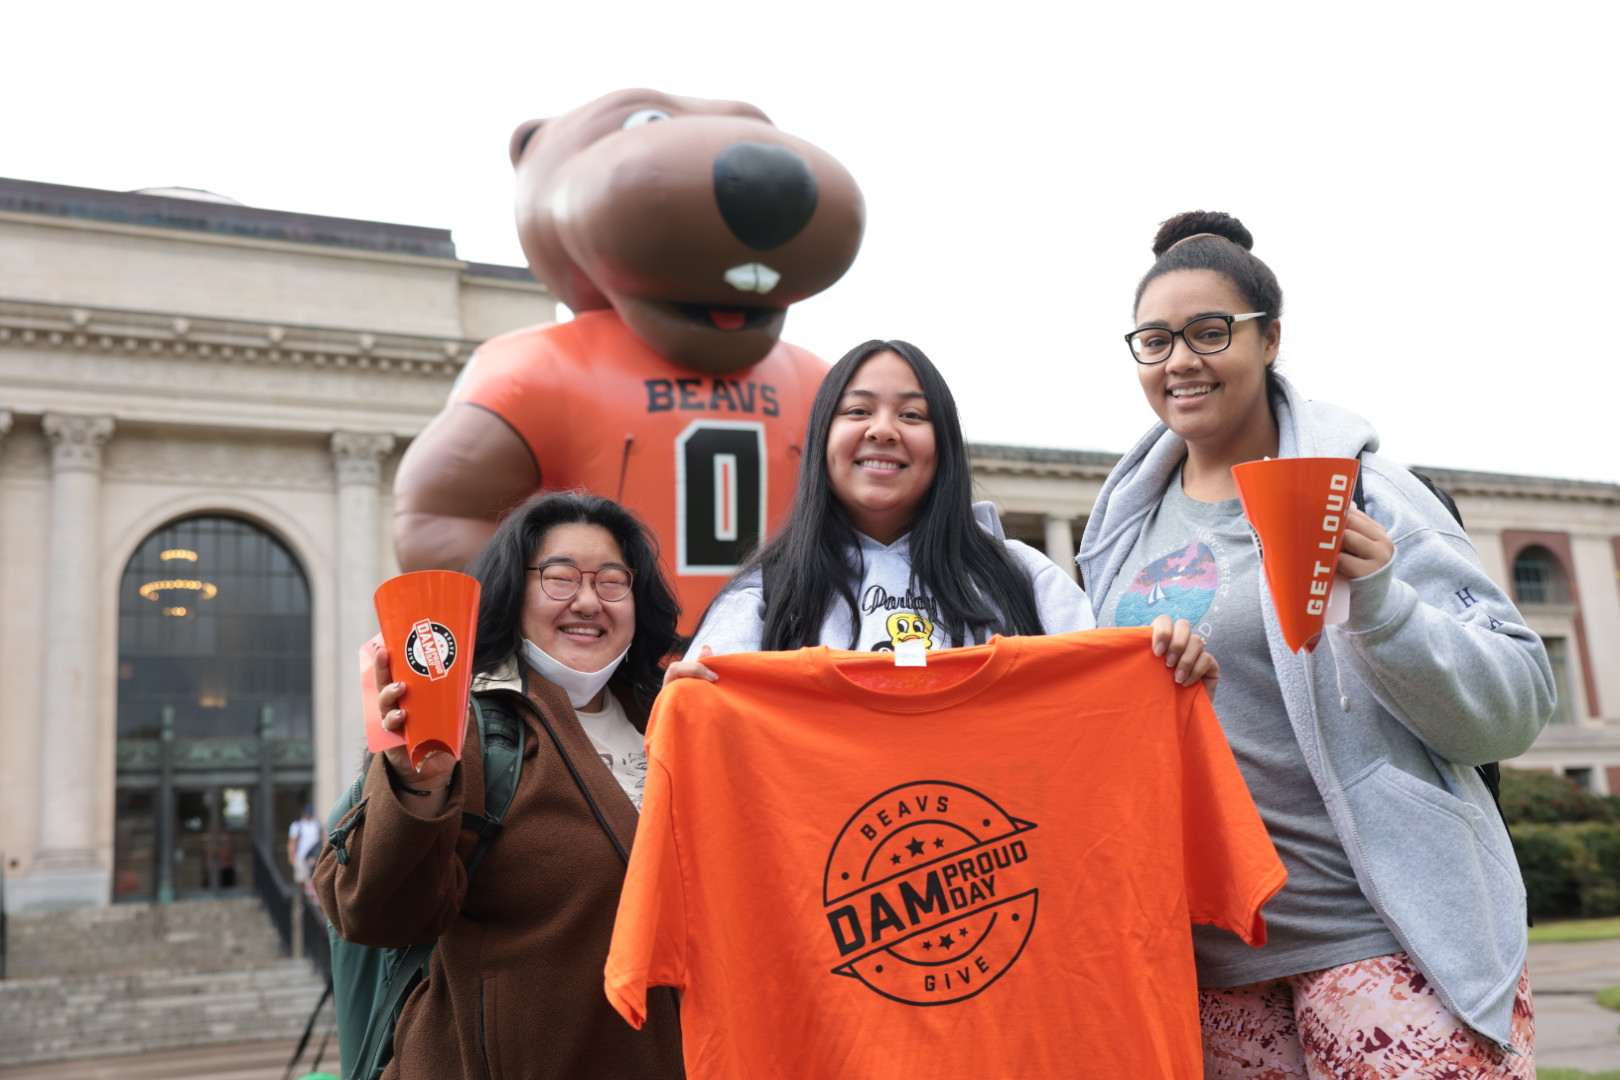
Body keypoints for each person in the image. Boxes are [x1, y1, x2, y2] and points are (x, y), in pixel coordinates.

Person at [1079, 210, 1555, 1077]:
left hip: (1380, 934)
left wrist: (1384, 605)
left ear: (1270, 340)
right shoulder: (1121, 532)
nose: (1181, 360)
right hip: (1212, 961)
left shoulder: (1372, 492)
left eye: (1210, 332)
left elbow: (1516, 704)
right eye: (1155, 340)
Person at [315, 492, 685, 1080]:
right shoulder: (465, 725)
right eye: (559, 578)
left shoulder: (673, 719)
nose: (588, 600)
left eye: (613, 581)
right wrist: (418, 784)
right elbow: (375, 914)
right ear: (513, 594)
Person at [669, 338, 1216, 687]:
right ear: (821, 442)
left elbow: (1109, 699)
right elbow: (705, 726)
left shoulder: (1021, 575)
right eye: (857, 410)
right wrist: (690, 705)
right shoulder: (765, 594)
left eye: (912, 414)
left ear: (945, 446)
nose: (882, 429)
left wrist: (1170, 675)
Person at [287, 803, 322, 900]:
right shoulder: (297, 825)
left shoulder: (317, 824)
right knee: (301, 879)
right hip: (301, 856)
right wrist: (291, 856)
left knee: (313, 879)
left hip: (314, 856)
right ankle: (303, 899)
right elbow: (292, 842)